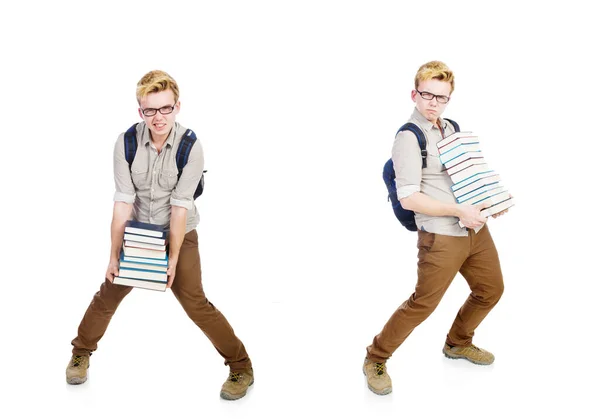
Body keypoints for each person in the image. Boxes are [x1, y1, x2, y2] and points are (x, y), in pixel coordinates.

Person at [66, 70, 253, 401]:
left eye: (165, 108)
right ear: (140, 111)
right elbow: (123, 203)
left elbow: (181, 208)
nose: (158, 117)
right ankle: (81, 352)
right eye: (150, 110)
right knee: (108, 293)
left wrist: (173, 258)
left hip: (179, 232)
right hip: (138, 232)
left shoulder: (190, 147)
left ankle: (241, 366)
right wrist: (113, 255)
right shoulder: (125, 143)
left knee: (196, 303)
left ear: (177, 106)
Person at [363, 61, 508, 395]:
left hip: (474, 230)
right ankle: (375, 358)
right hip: (440, 235)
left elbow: (464, 176)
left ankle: (458, 342)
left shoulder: (451, 128)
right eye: (427, 94)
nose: (433, 103)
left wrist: (488, 203)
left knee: (491, 289)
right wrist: (459, 211)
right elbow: (410, 197)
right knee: (423, 304)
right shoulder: (408, 138)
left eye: (441, 97)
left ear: (448, 99)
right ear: (414, 94)